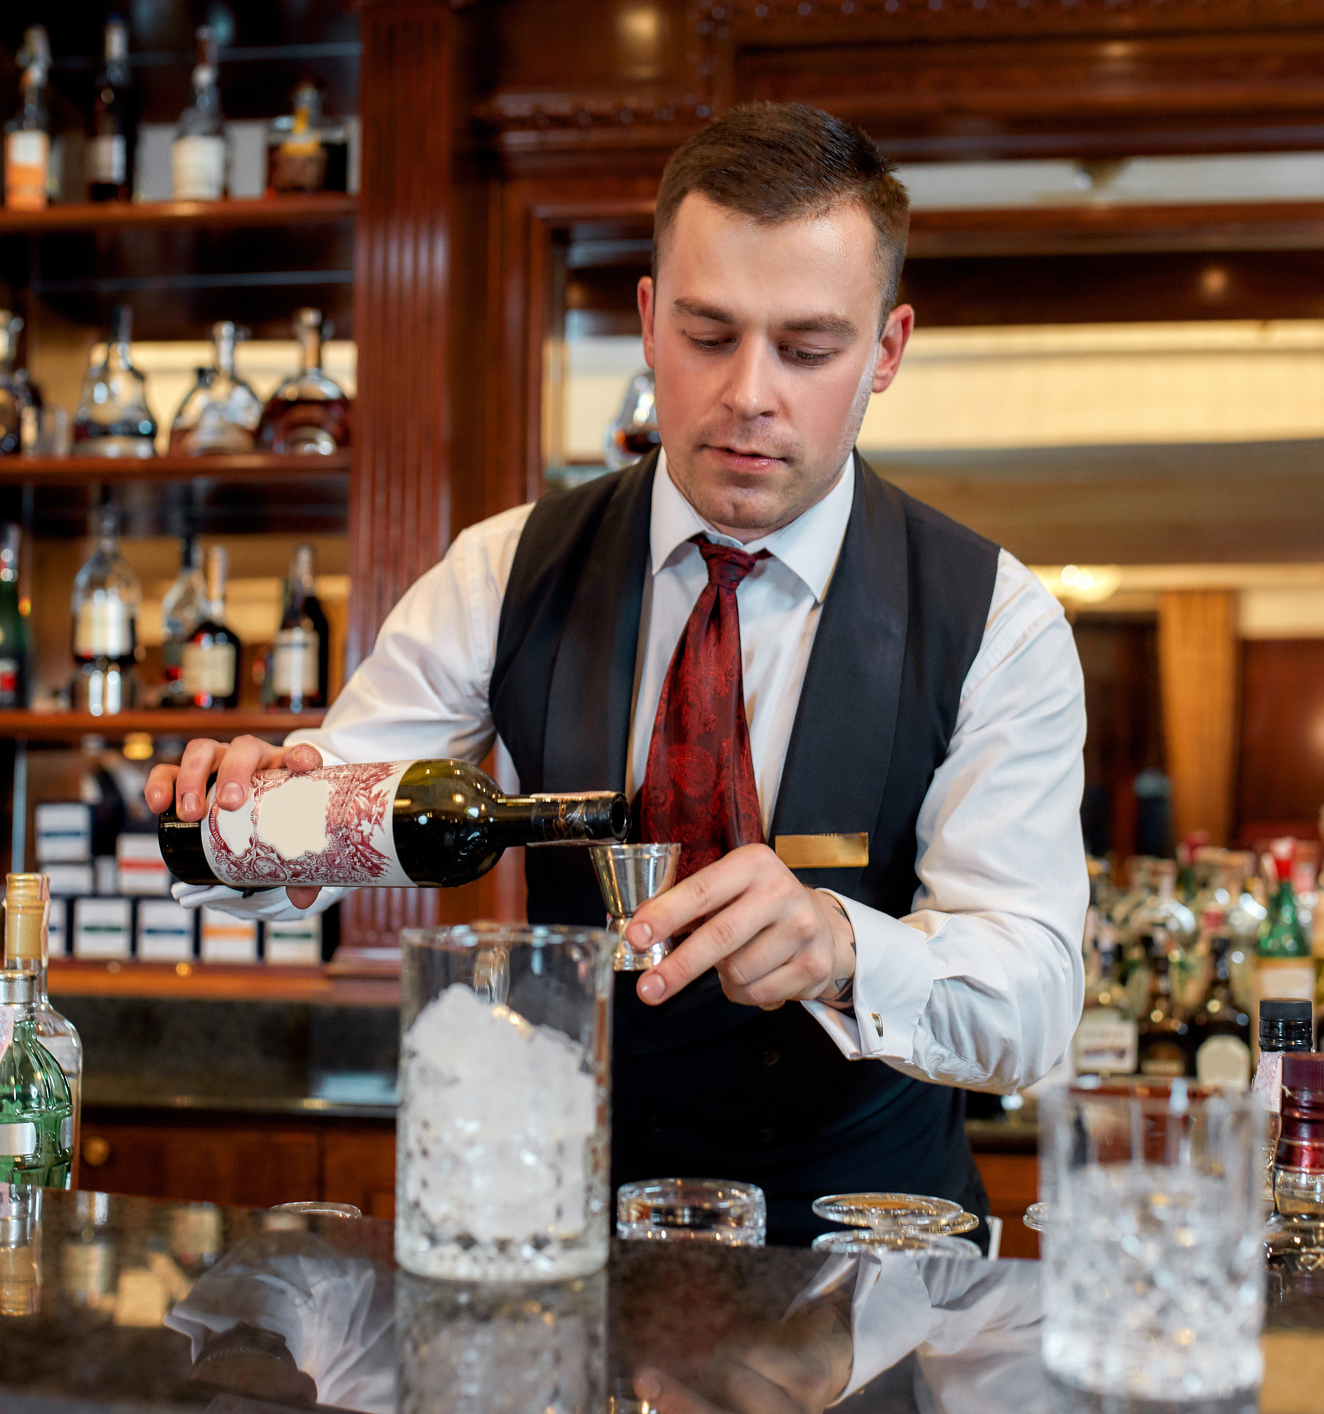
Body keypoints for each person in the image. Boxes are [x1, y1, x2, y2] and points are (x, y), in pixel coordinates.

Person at [145, 101, 1087, 1244]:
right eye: (706, 334)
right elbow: (342, 806)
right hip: (576, 1218)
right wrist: (249, 806)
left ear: (884, 350)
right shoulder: (503, 569)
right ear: (646, 320)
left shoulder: (996, 619)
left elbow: (1033, 1000)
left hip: (873, 1246)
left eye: (806, 349)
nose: (750, 392)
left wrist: (846, 947)